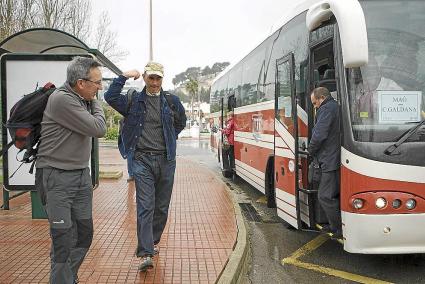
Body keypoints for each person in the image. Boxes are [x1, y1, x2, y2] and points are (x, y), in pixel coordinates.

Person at [104, 62, 186, 271]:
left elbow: (181, 122)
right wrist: (123, 76)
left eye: (158, 78)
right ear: (145, 78)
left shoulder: (172, 101)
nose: (155, 82)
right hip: (142, 160)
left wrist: (169, 137)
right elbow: (110, 97)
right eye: (151, 78)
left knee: (161, 208)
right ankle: (145, 253)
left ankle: (152, 241)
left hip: (166, 160)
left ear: (162, 79)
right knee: (145, 206)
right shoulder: (133, 101)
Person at [35, 56, 106, 284]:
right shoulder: (63, 100)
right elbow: (99, 128)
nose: (100, 87)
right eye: (96, 82)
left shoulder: (81, 99)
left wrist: (91, 100)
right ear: (81, 83)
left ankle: (67, 277)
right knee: (63, 240)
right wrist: (96, 103)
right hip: (56, 178)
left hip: (80, 176)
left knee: (84, 235)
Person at [308, 87, 342, 238]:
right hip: (333, 158)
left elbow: (319, 135)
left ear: (321, 98)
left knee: (325, 196)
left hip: (329, 159)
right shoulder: (335, 107)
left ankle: (338, 228)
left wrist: (310, 150)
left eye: (315, 103)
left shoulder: (326, 109)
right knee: (330, 194)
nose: (315, 106)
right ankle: (331, 224)